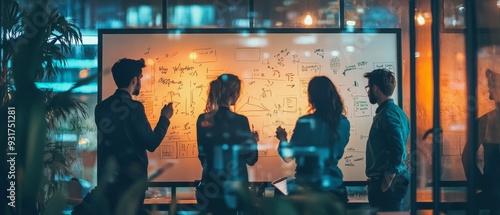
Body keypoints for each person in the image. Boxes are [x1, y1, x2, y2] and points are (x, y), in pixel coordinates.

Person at [94, 58, 174, 215]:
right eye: (141, 77)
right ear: (134, 80)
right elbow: (151, 143)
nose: (141, 82)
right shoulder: (135, 108)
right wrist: (165, 118)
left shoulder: (100, 108)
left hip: (109, 181)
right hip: (132, 182)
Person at [275, 76, 351, 207]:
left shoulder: (305, 122)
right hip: (336, 189)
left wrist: (282, 138)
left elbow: (288, 157)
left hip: (308, 191)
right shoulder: (344, 123)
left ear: (312, 97)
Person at [195, 74, 259, 215]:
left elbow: (203, 155)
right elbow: (251, 159)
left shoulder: (203, 119)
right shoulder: (241, 121)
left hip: (211, 187)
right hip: (236, 189)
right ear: (234, 93)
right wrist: (253, 141)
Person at [363, 68, 410, 214]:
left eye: (369, 88)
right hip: (393, 182)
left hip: (387, 184)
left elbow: (398, 147)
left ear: (375, 88)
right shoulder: (397, 112)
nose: (368, 91)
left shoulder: (388, 114)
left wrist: (387, 178)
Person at [462, 69, 500, 215]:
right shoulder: (485, 122)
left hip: (493, 191)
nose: (488, 90)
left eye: (492, 86)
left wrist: (483, 184)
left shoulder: (485, 122)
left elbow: (467, 156)